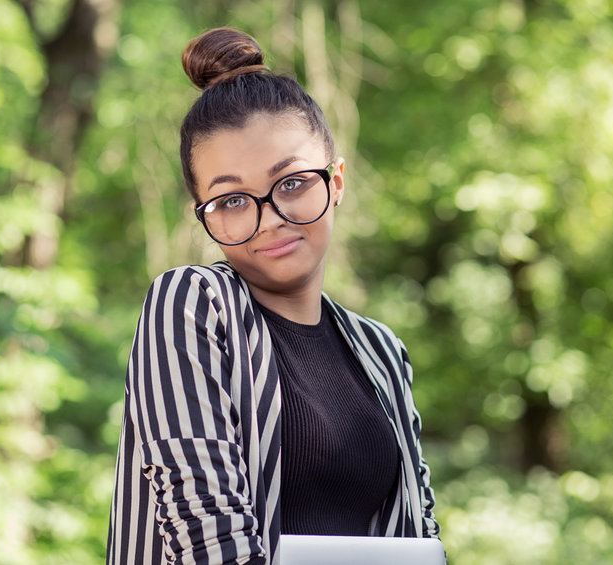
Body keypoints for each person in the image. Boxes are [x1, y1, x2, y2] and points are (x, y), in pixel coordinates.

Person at [106, 27, 440, 565]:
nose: (270, 219)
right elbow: (208, 540)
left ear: (335, 181)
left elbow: (419, 534)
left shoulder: (382, 352)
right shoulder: (194, 304)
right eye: (232, 199)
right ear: (203, 214)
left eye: (291, 183)